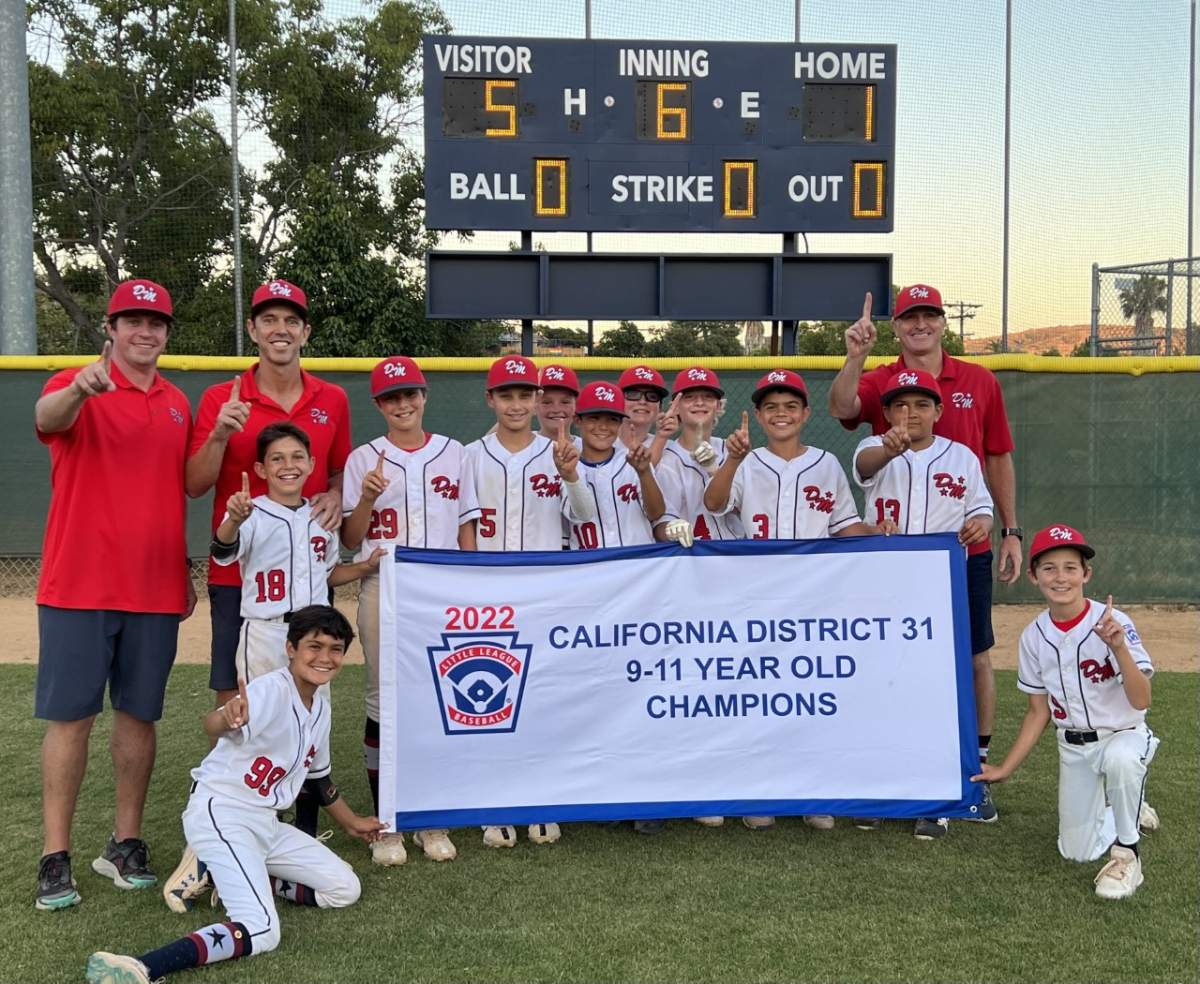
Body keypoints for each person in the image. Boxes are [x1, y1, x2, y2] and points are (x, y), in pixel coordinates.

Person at [86, 606, 386, 983]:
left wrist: (353, 823)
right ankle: (144, 967)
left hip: (265, 822)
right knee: (262, 929)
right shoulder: (271, 690)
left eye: (336, 648)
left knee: (345, 888)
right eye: (315, 646)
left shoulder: (320, 708)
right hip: (223, 812)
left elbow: (319, 778)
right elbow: (213, 724)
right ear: (291, 648)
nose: (325, 657)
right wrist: (226, 718)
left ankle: (222, 873)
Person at [828, 285, 1022, 820]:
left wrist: (1006, 528)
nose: (920, 324)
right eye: (909, 317)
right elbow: (849, 424)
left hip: (960, 559)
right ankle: (886, 767)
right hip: (892, 564)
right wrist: (855, 356)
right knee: (887, 658)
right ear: (897, 327)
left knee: (974, 656)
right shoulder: (876, 391)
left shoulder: (977, 387)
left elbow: (995, 461)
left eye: (928, 315)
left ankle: (974, 769)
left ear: (942, 321)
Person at [33, 279, 196, 912]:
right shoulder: (75, 384)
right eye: (132, 320)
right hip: (79, 582)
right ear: (111, 327)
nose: (144, 332)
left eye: (155, 323)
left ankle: (124, 842)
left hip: (154, 585)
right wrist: (79, 387)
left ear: (165, 333)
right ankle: (55, 854)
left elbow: (171, 488)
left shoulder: (178, 403)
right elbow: (46, 420)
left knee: (140, 718)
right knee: (71, 717)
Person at [705, 369, 881, 833]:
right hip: (756, 598)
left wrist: (883, 536)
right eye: (771, 407)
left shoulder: (826, 462)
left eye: (790, 406)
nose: (780, 413)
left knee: (809, 696)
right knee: (758, 695)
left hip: (812, 600)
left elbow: (844, 526)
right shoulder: (745, 459)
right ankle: (759, 788)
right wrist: (730, 461)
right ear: (759, 415)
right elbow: (715, 503)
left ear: (805, 413)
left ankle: (814, 791)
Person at [186, 280, 352, 717]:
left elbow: (337, 470)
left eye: (291, 320)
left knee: (309, 687)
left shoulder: (331, 399)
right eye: (269, 320)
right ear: (253, 328)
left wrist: (336, 491)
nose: (281, 329)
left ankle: (303, 783)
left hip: (304, 572)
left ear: (305, 331)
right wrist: (221, 432)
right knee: (238, 692)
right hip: (240, 571)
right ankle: (235, 784)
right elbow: (195, 484)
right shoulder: (221, 397)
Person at [342, 356, 480, 864]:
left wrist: (471, 583)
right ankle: (387, 821)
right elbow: (350, 539)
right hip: (384, 586)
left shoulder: (455, 453)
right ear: (379, 405)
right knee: (384, 700)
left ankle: (430, 817)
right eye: (391, 397)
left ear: (424, 397)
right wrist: (365, 500)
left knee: (438, 699)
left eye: (410, 394)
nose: (403, 404)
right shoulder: (364, 458)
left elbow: (466, 527)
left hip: (441, 590)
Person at [972, 526, 1159, 899]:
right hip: (1074, 748)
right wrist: (1006, 768)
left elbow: (1142, 701)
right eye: (1050, 568)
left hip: (1123, 735)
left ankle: (1128, 857)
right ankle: (1129, 807)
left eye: (1071, 568)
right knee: (1075, 852)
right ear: (1033, 576)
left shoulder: (1111, 622)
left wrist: (1119, 648)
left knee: (1122, 761)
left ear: (1086, 575)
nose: (1061, 577)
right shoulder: (1033, 636)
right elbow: (1037, 711)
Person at [850, 369, 994, 840]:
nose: (910, 413)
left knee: (946, 673)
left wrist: (981, 522)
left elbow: (981, 506)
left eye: (921, 404)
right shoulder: (873, 446)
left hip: (945, 575)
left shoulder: (963, 456)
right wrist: (887, 449)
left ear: (939, 410)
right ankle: (884, 785)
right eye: (900, 405)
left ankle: (944, 787)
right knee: (884, 671)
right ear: (887, 412)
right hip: (886, 576)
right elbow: (867, 467)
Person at [464, 356, 597, 848]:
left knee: (541, 695)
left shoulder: (559, 449)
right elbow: (466, 528)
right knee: (491, 699)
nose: (517, 404)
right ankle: (492, 803)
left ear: (537, 400)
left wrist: (570, 475)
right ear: (491, 399)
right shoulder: (470, 454)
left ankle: (541, 797)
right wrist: (473, 584)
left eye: (526, 395)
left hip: (545, 590)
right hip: (490, 591)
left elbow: (582, 516)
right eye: (507, 395)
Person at [567, 381, 689, 837]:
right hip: (590, 595)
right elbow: (579, 516)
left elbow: (661, 517)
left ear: (621, 423)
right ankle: (603, 791)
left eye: (610, 419)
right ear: (580, 422)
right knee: (598, 693)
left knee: (642, 692)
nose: (602, 426)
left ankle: (649, 792)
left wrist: (644, 474)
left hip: (640, 595)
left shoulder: (639, 461)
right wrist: (570, 476)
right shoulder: (563, 462)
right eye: (594, 418)